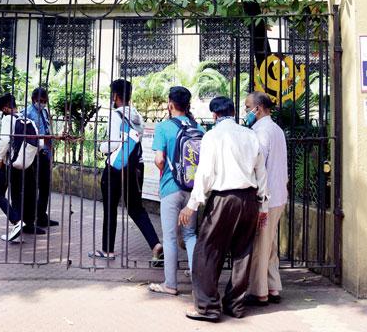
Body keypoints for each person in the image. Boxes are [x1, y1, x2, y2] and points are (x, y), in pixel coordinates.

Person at [178, 95, 269, 322]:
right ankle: (235, 305)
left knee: (206, 251)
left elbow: (205, 174)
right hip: (249, 199)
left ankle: (208, 307)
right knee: (242, 252)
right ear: (233, 112)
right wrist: (263, 205)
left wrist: (192, 205)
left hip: (223, 199)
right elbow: (261, 172)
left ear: (215, 115)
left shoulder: (212, 136)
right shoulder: (250, 135)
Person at [90, 79, 163, 261]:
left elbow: (113, 143)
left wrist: (101, 148)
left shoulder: (116, 115)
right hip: (136, 167)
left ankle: (107, 250)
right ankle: (155, 244)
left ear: (115, 96)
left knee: (110, 207)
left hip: (116, 168)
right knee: (136, 208)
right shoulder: (137, 116)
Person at [147, 85, 201, 296]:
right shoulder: (199, 128)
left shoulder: (163, 127)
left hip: (170, 187)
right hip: (193, 189)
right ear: (187, 105)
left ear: (170, 104)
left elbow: (159, 159)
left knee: (169, 237)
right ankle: (198, 281)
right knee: (190, 235)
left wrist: (165, 170)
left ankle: (170, 284)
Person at [244, 92, 289, 306]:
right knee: (269, 244)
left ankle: (260, 292)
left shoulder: (260, 131)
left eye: (247, 107)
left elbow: (258, 164)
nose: (246, 112)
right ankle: (274, 287)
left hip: (266, 198)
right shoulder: (277, 130)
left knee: (261, 246)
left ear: (258, 109)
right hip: (279, 195)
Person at [0, 93, 38, 242]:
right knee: (17, 197)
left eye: (1, 110)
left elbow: (5, 139)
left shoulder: (7, 118)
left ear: (5, 108)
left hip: (7, 163)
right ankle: (18, 229)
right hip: (21, 163)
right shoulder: (23, 118)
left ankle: (16, 222)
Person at [24, 87, 60, 228]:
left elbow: (47, 130)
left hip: (45, 153)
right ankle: (31, 219)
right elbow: (26, 134)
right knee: (33, 188)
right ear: (34, 100)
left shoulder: (44, 112)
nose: (43, 103)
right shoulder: (27, 113)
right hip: (34, 154)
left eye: (45, 101)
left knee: (45, 187)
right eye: (40, 101)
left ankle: (42, 217)